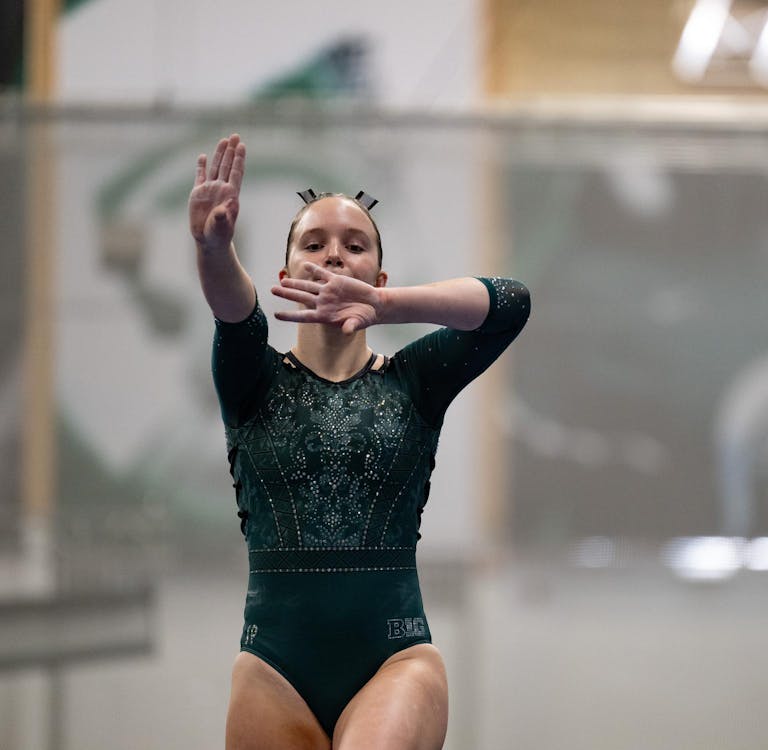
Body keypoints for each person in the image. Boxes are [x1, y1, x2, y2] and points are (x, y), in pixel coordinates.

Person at [188, 133, 530, 749]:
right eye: (314, 244)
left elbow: (510, 304)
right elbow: (236, 314)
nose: (336, 255)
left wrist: (386, 306)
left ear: (379, 270)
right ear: (288, 273)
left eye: (355, 245)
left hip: (393, 657)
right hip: (273, 666)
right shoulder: (253, 382)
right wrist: (214, 249)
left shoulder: (415, 382)